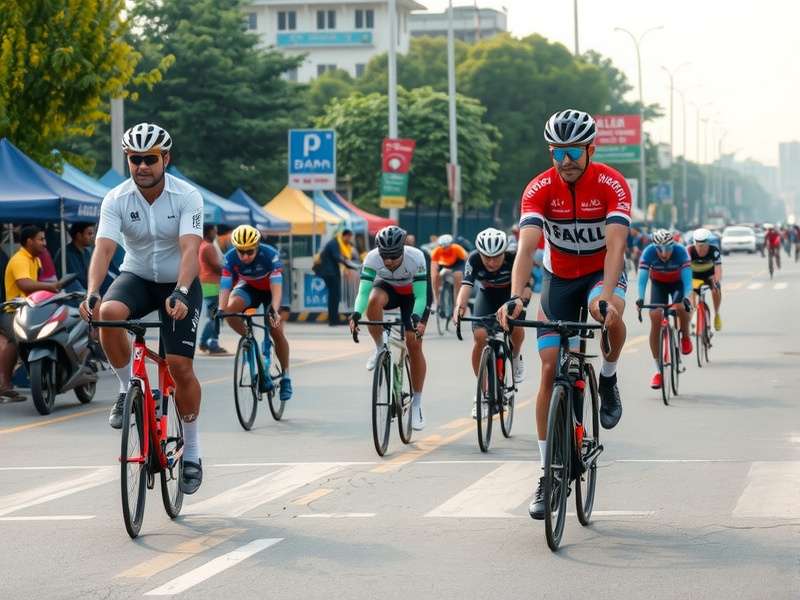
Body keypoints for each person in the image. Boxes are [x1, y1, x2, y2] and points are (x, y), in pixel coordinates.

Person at [496, 109, 630, 520]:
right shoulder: (539, 188)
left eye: (574, 151)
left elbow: (615, 246)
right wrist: (516, 297)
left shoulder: (611, 183)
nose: (566, 160)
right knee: (549, 367)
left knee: (605, 312)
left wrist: (606, 295)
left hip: (600, 273)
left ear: (591, 150)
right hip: (558, 278)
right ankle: (546, 474)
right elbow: (526, 248)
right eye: (558, 152)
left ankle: (608, 377)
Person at [80, 122, 205, 495]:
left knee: (180, 366)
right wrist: (92, 292)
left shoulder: (187, 196)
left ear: (165, 158)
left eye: (149, 159)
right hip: (136, 277)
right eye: (135, 159)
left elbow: (190, 249)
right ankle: (126, 389)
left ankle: (193, 450)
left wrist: (182, 291)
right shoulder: (116, 198)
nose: (142, 166)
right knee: (108, 314)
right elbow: (104, 248)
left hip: (178, 281)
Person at [350, 226, 429, 430]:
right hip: (388, 289)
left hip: (413, 296)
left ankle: (417, 404)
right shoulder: (371, 258)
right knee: (373, 300)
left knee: (414, 344)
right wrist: (356, 314)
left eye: (394, 256)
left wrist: (416, 317)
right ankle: (379, 348)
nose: (389, 261)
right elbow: (363, 292)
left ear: (403, 249)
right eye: (385, 256)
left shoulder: (416, 257)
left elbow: (421, 296)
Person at [455, 228, 528, 418]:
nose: (492, 262)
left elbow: (525, 287)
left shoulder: (513, 257)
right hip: (487, 295)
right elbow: (466, 286)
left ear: (504, 252)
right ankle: (482, 394)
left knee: (515, 326)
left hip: (510, 295)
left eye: (496, 257)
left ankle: (516, 357)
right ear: (479, 253)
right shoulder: (473, 259)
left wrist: (521, 302)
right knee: (480, 336)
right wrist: (459, 307)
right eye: (487, 257)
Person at [218, 224, 292, 401]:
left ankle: (286, 377)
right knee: (229, 311)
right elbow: (226, 285)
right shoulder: (230, 258)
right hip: (250, 285)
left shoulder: (269, 255)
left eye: (249, 252)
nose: (245, 256)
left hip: (273, 288)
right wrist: (221, 308)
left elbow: (276, 285)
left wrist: (274, 309)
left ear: (257, 247)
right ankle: (249, 339)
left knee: (275, 329)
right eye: (241, 252)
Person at [1, 225, 65, 398]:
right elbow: (25, 285)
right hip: (12, 311)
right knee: (15, 340)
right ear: (29, 241)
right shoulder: (20, 259)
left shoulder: (36, 260)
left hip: (29, 309)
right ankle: (4, 385)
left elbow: (35, 287)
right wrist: (51, 287)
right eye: (40, 239)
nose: (44, 243)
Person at [636, 229, 694, 389]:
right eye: (660, 250)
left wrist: (687, 297)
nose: (664, 253)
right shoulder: (648, 252)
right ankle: (659, 371)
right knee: (655, 316)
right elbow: (642, 279)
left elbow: (688, 282)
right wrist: (640, 298)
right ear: (654, 247)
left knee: (681, 307)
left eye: (668, 249)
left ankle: (685, 336)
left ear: (673, 246)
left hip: (677, 284)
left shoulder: (681, 252)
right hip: (659, 285)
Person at [198, 224, 227, 354]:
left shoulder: (201, 245)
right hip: (213, 284)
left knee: (213, 315)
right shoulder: (209, 247)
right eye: (214, 232)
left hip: (206, 284)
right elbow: (216, 266)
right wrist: (228, 272)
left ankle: (208, 343)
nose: (216, 234)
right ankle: (208, 343)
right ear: (209, 232)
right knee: (215, 316)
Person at [318, 229, 358, 326]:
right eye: (349, 237)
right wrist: (349, 264)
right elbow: (337, 257)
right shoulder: (334, 243)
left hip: (331, 273)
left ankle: (334, 319)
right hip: (330, 273)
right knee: (334, 297)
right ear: (344, 236)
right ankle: (333, 320)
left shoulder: (336, 243)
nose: (349, 240)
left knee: (334, 297)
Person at [687, 228, 723, 331]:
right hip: (695, 277)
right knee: (691, 293)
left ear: (708, 242)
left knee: (716, 290)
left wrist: (716, 280)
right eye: (698, 245)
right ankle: (694, 316)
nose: (701, 248)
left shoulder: (714, 251)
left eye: (703, 245)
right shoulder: (689, 251)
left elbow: (718, 269)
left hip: (709, 276)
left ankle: (716, 313)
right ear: (694, 243)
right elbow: (685, 270)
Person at [430, 234, 468, 315]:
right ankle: (436, 301)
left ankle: (457, 304)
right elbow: (434, 265)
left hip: (456, 264)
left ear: (451, 244)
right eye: (443, 247)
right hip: (443, 264)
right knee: (434, 275)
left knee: (458, 275)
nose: (446, 249)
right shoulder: (436, 251)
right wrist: (436, 274)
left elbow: (466, 260)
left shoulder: (457, 248)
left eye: (447, 246)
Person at [55, 222, 94, 292]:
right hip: (73, 292)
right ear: (79, 236)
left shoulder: (87, 253)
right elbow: (70, 281)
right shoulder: (65, 253)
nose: (92, 236)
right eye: (89, 234)